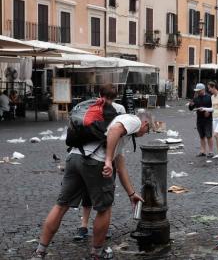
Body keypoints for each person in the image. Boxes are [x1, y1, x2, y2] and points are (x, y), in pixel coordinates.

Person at [32, 107, 150, 259]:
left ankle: (39, 252)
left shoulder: (116, 132)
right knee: (104, 209)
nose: (145, 133)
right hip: (95, 161)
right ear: (145, 123)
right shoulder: (134, 120)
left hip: (74, 157)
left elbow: (120, 166)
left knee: (61, 205)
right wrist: (107, 160)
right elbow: (114, 130)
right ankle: (97, 253)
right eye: (148, 130)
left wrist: (131, 193)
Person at [74, 84, 126, 241]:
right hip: (107, 156)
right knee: (105, 195)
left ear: (99, 93)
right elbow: (119, 134)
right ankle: (104, 227)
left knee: (86, 193)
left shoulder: (90, 104)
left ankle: (83, 226)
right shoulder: (120, 109)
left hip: (84, 153)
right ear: (116, 96)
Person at [188, 83, 214, 158]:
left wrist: (209, 112)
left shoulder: (209, 97)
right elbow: (191, 109)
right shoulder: (196, 98)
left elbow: (214, 108)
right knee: (202, 136)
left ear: (203, 90)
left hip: (208, 119)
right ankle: (203, 151)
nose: (198, 92)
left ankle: (211, 151)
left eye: (199, 91)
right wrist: (191, 104)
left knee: (209, 136)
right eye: (197, 91)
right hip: (199, 119)